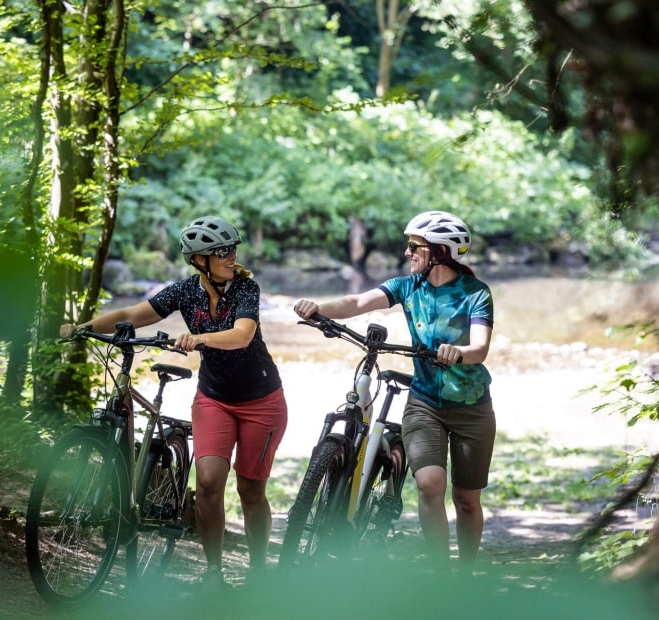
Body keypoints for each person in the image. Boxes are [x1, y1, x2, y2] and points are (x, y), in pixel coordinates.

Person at [61, 215, 287, 586]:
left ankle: (259, 573)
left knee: (250, 488)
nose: (231, 257)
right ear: (199, 260)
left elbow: (243, 335)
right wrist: (85, 328)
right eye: (222, 252)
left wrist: (200, 339)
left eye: (233, 250)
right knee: (210, 483)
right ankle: (214, 574)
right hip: (214, 398)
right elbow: (131, 315)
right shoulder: (184, 292)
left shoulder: (246, 290)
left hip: (261, 400)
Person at [293, 210, 496, 568]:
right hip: (425, 403)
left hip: (471, 407)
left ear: (440, 251)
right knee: (430, 484)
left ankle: (466, 577)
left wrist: (458, 352)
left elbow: (479, 348)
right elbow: (357, 303)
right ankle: (440, 574)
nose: (407, 253)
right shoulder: (407, 286)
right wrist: (318, 308)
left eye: (414, 246)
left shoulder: (475, 293)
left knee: (467, 500)